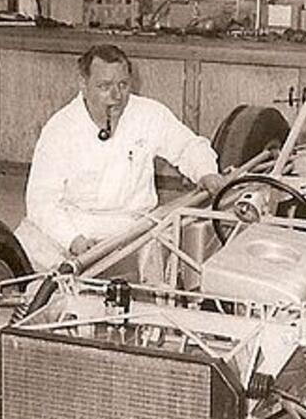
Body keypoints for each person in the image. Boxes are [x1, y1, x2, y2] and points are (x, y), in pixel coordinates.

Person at [14, 44, 226, 272]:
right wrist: (73, 240)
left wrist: (206, 172)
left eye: (123, 85)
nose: (116, 96)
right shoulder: (60, 129)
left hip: (132, 227)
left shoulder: (149, 114)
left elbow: (188, 146)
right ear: (83, 85)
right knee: (21, 252)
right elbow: (41, 201)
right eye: (105, 87)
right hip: (74, 225)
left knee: (181, 264)